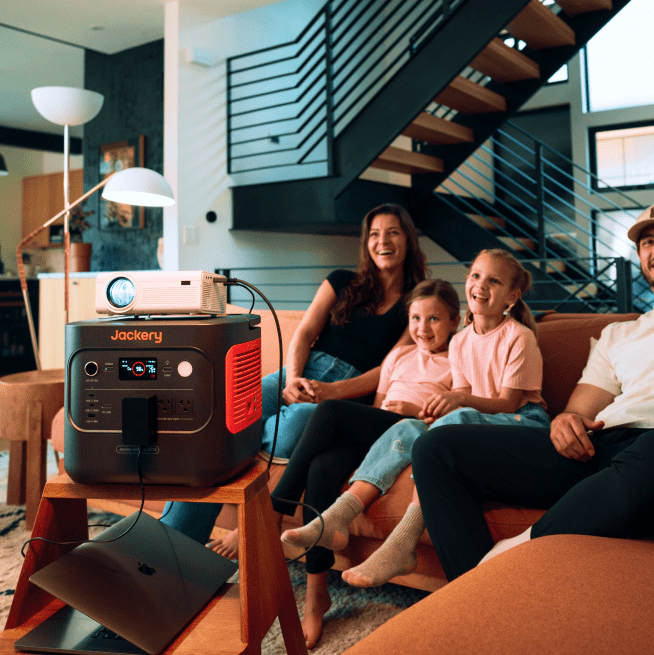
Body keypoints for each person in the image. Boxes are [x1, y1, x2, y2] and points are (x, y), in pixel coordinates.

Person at [411, 200, 654, 582]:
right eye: (648, 242)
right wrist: (565, 422)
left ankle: (510, 558)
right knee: (436, 449)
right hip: (601, 448)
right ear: (639, 256)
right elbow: (579, 410)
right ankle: (475, 599)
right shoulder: (618, 334)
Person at [159, 203, 427, 551]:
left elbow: (390, 367)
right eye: (374, 234)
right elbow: (303, 334)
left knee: (284, 424)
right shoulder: (341, 281)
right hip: (298, 373)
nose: (382, 241)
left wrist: (330, 391)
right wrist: (293, 379)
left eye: (393, 232)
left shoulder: (417, 303)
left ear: (408, 239)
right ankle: (174, 547)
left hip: (345, 395)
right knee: (222, 420)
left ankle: (237, 468)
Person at [338, 249, 548, 588]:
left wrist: (458, 400)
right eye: (476, 276)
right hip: (476, 421)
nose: (481, 285)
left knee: (460, 415)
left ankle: (403, 540)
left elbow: (508, 404)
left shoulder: (519, 337)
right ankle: (341, 512)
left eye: (494, 281)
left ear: (512, 296)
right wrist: (443, 408)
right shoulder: (461, 341)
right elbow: (463, 399)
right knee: (408, 426)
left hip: (525, 423)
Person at [269, 279, 460, 649]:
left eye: (434, 319)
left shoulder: (459, 361)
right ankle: (316, 593)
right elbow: (377, 408)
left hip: (413, 430)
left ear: (454, 321)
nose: (423, 328)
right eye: (417, 318)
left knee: (328, 410)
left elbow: (457, 420)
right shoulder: (398, 357)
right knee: (321, 468)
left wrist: (416, 412)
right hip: (379, 433)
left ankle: (275, 506)